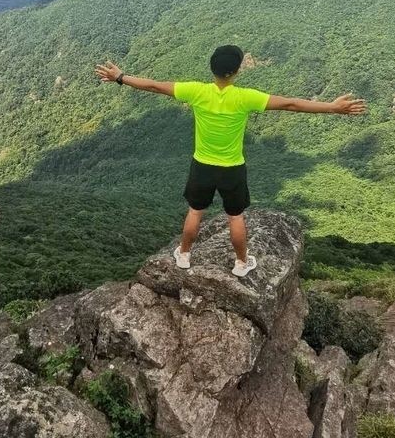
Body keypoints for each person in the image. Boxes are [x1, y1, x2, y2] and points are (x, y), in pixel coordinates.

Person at [95, 45, 367, 277]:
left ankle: (185, 255)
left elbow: (154, 86)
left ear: (212, 68)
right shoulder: (245, 97)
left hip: (202, 165)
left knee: (195, 211)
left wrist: (121, 77)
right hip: (232, 168)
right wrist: (332, 108)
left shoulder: (196, 91)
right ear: (236, 71)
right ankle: (240, 263)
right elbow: (290, 105)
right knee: (235, 216)